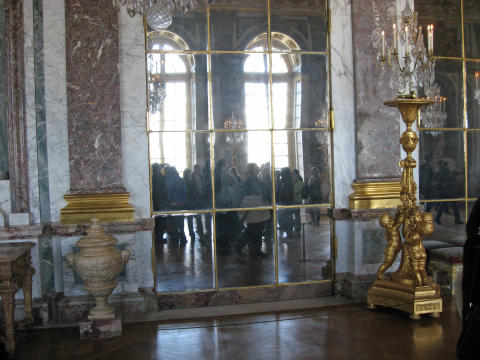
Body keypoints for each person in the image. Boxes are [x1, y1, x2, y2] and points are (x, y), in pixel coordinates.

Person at [376, 212, 403, 280]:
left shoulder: (390, 227)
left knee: (389, 263)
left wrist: (398, 214)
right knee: (388, 263)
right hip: (391, 249)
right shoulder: (393, 229)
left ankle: (380, 273)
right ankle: (379, 273)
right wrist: (402, 214)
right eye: (390, 220)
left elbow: (396, 220)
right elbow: (399, 223)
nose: (392, 221)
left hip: (394, 248)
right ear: (387, 224)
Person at [292, 169, 305, 234]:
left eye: (294, 174)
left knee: (297, 215)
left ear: (297, 174)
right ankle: (295, 226)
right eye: (292, 174)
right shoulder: (292, 181)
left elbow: (295, 191)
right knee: (294, 215)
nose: (293, 175)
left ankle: (298, 228)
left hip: (297, 201)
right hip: (292, 201)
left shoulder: (300, 182)